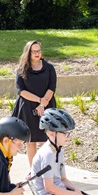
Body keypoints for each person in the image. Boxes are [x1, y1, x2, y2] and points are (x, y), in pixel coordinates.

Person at [31, 108, 98, 195]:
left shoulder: (58, 149)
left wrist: (76, 190)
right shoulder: (47, 154)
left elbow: (63, 179)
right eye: (65, 133)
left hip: (59, 190)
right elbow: (49, 188)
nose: (68, 137)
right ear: (52, 133)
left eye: (70, 133)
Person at [12, 40, 57, 168]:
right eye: (34, 51)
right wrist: (39, 100)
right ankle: (34, 171)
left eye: (39, 50)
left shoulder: (49, 67)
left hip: (46, 106)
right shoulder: (21, 69)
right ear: (28, 52)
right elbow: (21, 91)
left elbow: (52, 87)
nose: (37, 53)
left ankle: (45, 170)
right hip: (27, 107)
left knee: (44, 140)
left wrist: (43, 104)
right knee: (30, 141)